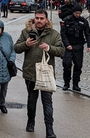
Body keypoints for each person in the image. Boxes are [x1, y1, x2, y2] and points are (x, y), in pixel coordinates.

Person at [14, 9, 65, 138]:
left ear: (46, 20)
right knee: (31, 100)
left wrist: (49, 48)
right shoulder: (26, 32)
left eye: (42, 18)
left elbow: (61, 51)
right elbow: (16, 48)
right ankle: (31, 122)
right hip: (30, 72)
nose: (39, 21)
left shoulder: (54, 34)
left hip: (46, 74)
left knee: (47, 102)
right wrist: (26, 44)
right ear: (34, 19)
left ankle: (49, 130)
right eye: (37, 18)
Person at [61, 5, 90, 91]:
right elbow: (63, 34)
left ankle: (76, 84)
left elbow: (88, 34)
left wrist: (89, 45)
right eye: (76, 13)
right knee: (67, 64)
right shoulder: (67, 20)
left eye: (79, 13)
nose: (78, 15)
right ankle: (66, 83)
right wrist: (67, 45)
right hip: (69, 46)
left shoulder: (83, 21)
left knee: (78, 65)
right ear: (73, 12)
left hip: (78, 46)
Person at [0, 19, 16, 118]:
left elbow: (13, 50)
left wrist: (11, 60)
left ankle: (2, 104)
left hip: (6, 67)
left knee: (4, 88)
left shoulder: (8, 37)